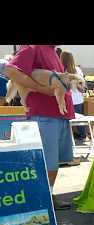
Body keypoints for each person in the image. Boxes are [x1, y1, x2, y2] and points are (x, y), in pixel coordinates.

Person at [4, 45, 75, 210]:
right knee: (47, 162)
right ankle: (43, 199)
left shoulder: (52, 51)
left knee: (53, 162)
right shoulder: (32, 47)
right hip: (45, 115)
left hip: (58, 115)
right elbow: (11, 71)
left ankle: (47, 195)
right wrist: (40, 88)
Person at [60, 50, 87, 140]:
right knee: (79, 120)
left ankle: (68, 136)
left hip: (67, 99)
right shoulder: (78, 70)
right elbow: (82, 85)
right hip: (78, 99)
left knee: (67, 119)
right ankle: (83, 135)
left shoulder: (61, 71)